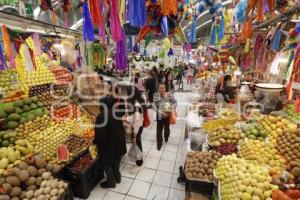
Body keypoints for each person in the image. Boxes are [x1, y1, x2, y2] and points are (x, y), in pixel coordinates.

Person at [93, 94, 127, 189]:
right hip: (118, 142)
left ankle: (111, 182)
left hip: (108, 145)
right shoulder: (116, 112)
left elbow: (100, 134)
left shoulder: (101, 116)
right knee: (116, 159)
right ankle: (117, 177)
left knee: (106, 163)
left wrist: (95, 141)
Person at [126, 86, 147, 166]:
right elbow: (134, 117)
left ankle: (139, 161)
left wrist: (134, 135)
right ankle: (138, 158)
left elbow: (137, 122)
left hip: (137, 127)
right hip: (137, 126)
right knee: (137, 142)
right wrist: (127, 119)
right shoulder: (136, 102)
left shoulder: (136, 105)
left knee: (137, 142)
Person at [154, 83, 177, 150]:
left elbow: (175, 102)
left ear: (165, 88)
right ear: (158, 89)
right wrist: (158, 111)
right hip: (159, 115)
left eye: (163, 88)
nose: (161, 89)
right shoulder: (156, 96)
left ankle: (166, 136)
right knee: (159, 130)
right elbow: (153, 105)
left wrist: (173, 107)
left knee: (166, 129)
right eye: (160, 88)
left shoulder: (169, 95)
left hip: (168, 115)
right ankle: (159, 144)